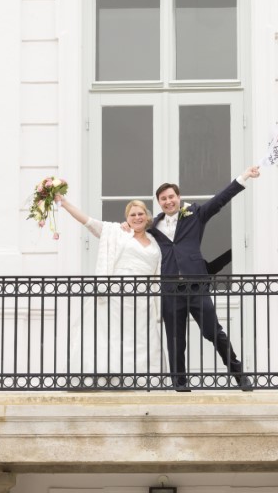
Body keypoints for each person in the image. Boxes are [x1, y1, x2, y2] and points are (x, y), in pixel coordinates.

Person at [148, 165, 261, 391]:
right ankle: (180, 384)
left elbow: (220, 199)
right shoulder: (153, 227)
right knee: (175, 339)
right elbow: (134, 231)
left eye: (171, 197)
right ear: (159, 202)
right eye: (163, 199)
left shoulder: (195, 215)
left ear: (179, 198)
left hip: (196, 286)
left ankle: (239, 374)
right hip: (170, 290)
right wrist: (125, 225)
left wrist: (244, 177)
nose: (168, 201)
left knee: (213, 331)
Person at [56, 194, 163, 383]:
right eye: (132, 215)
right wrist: (64, 203)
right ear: (127, 219)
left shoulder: (155, 241)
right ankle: (113, 377)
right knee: (114, 335)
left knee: (140, 337)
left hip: (144, 298)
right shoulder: (116, 232)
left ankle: (143, 378)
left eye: (140, 214)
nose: (137, 218)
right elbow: (88, 221)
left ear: (147, 217)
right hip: (117, 294)